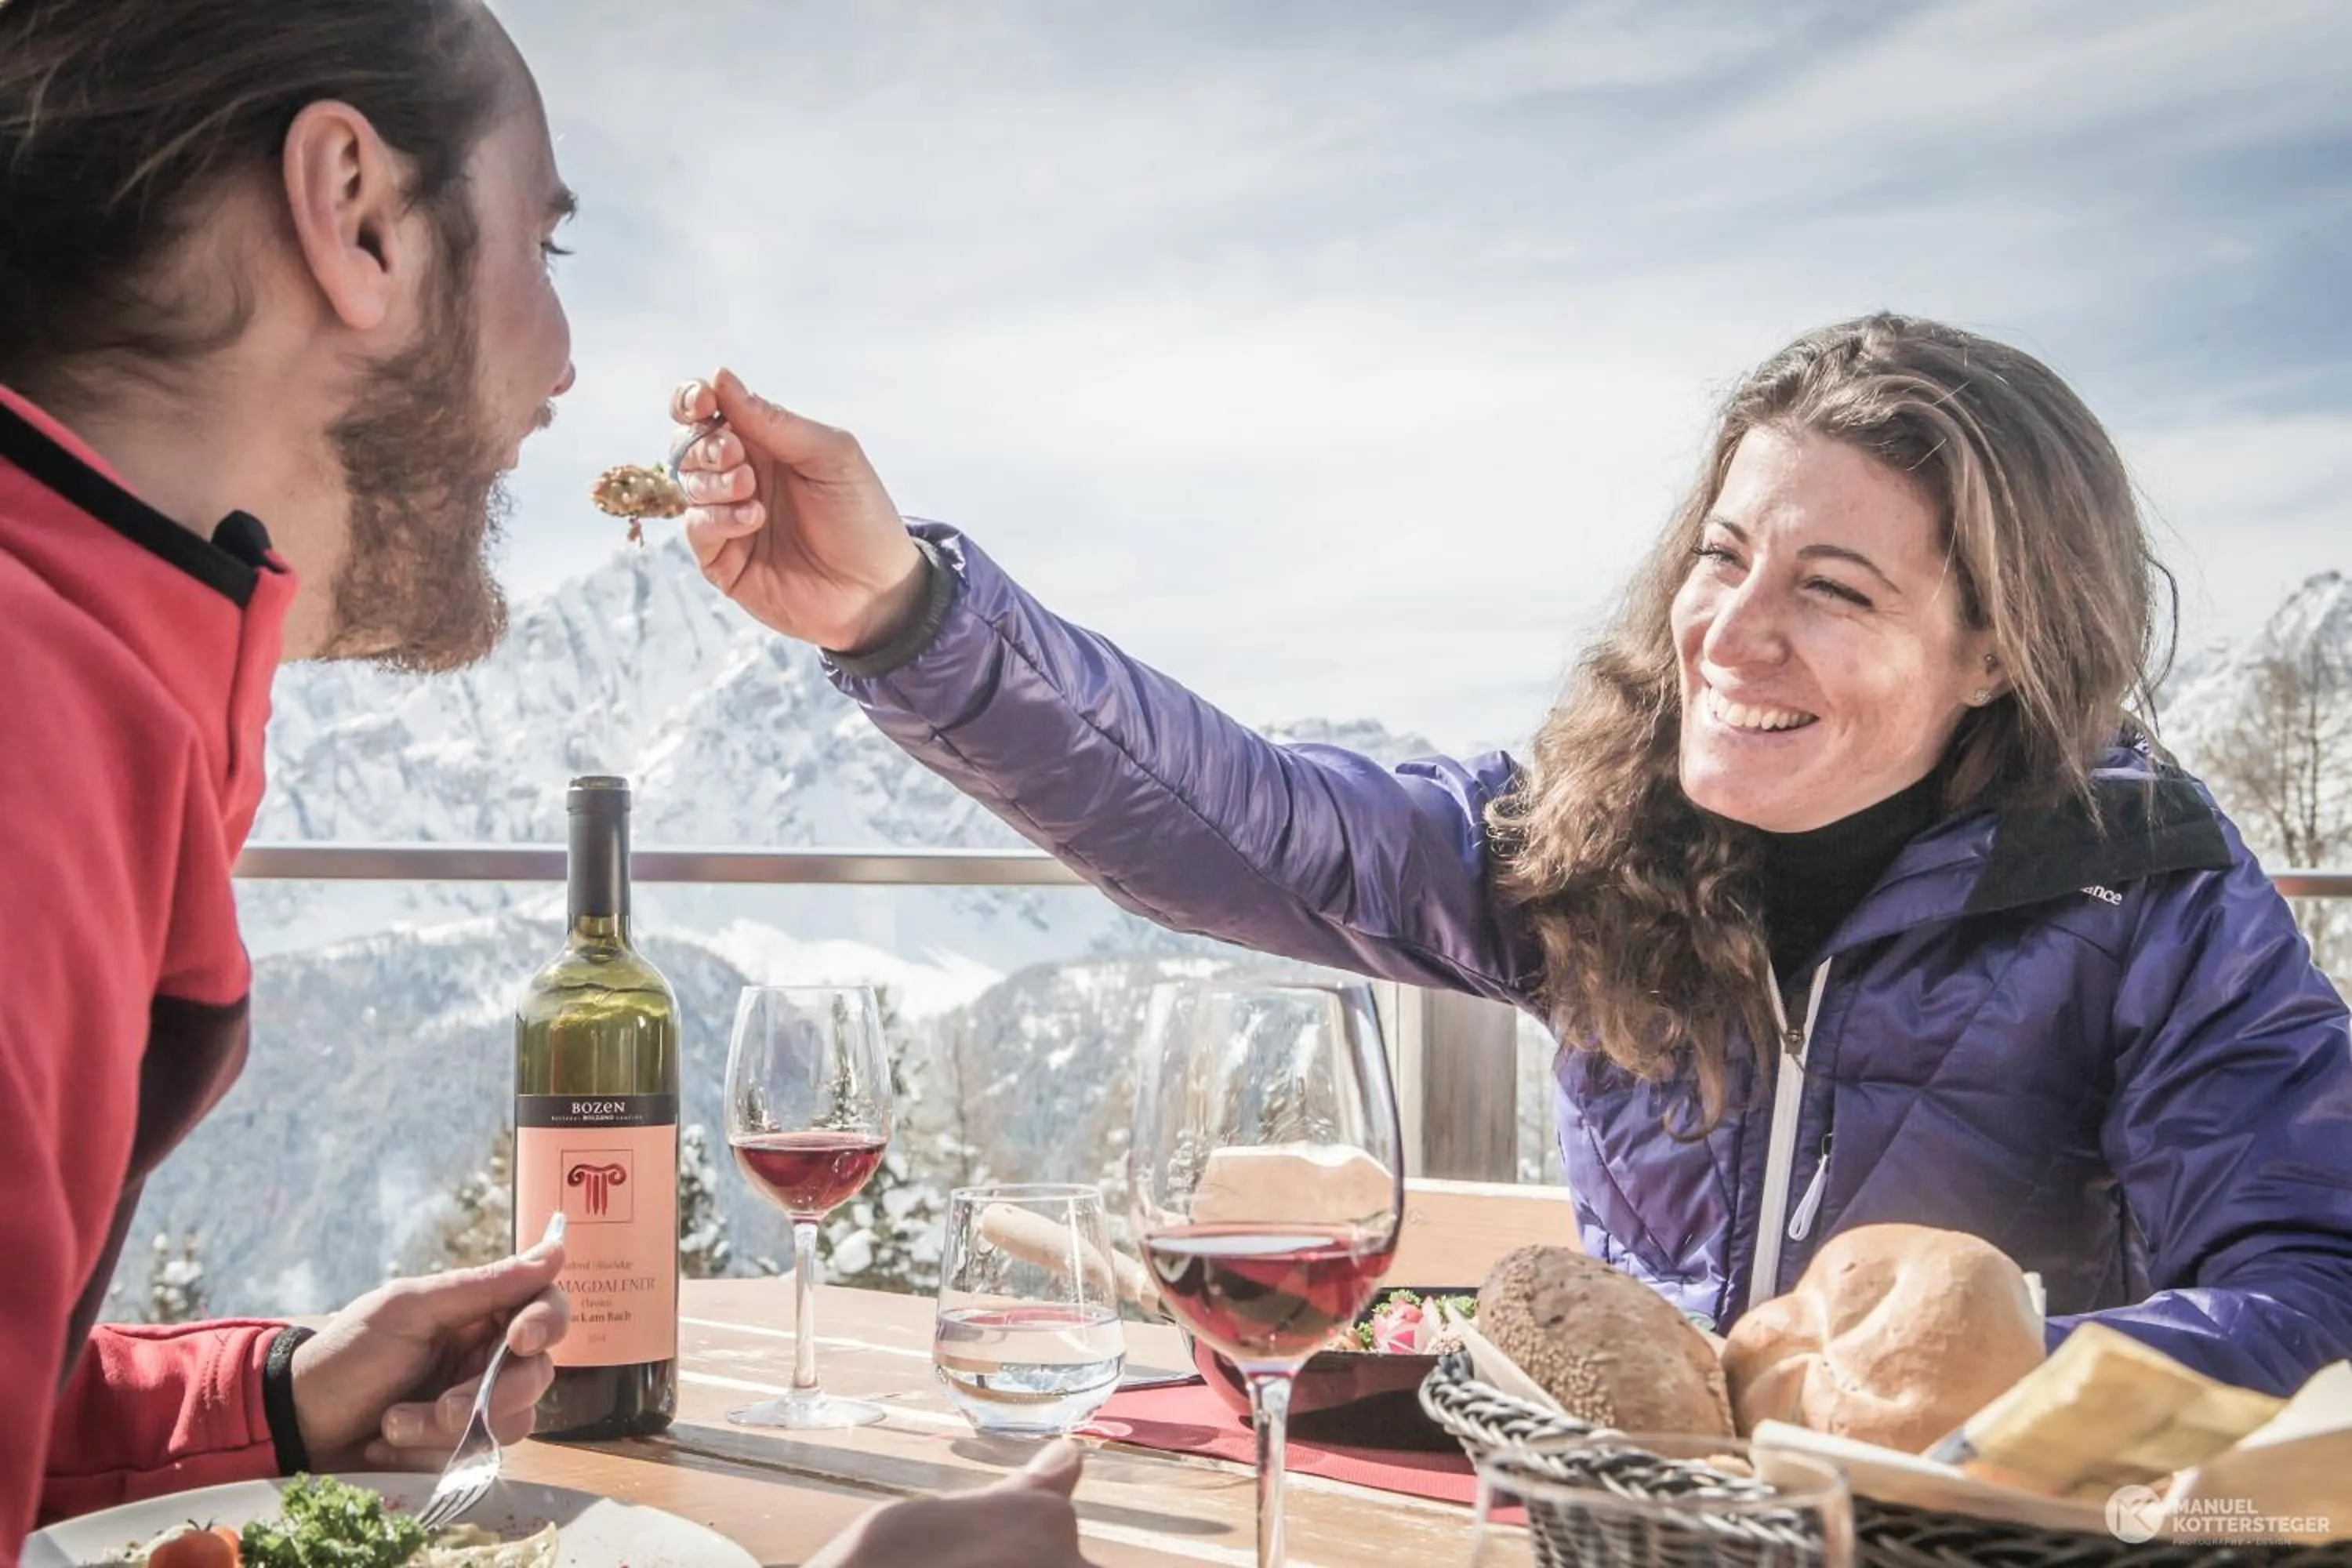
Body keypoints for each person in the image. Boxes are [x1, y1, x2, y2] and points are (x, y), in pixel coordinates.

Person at [669, 314, 2352, 1401]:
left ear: (1999, 652)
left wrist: (1949, 1380)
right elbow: (1242, 820)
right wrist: (907, 617)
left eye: (1834, 590)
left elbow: (2318, 1290)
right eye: (1723, 556)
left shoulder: (2148, 894)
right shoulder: (1592, 833)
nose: (1733, 636)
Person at [0, 4, 1091, 1563]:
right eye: (546, 246)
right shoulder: (29, 731)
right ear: (360, 215)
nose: (568, 363)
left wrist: (282, 1404)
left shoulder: (96, 666)